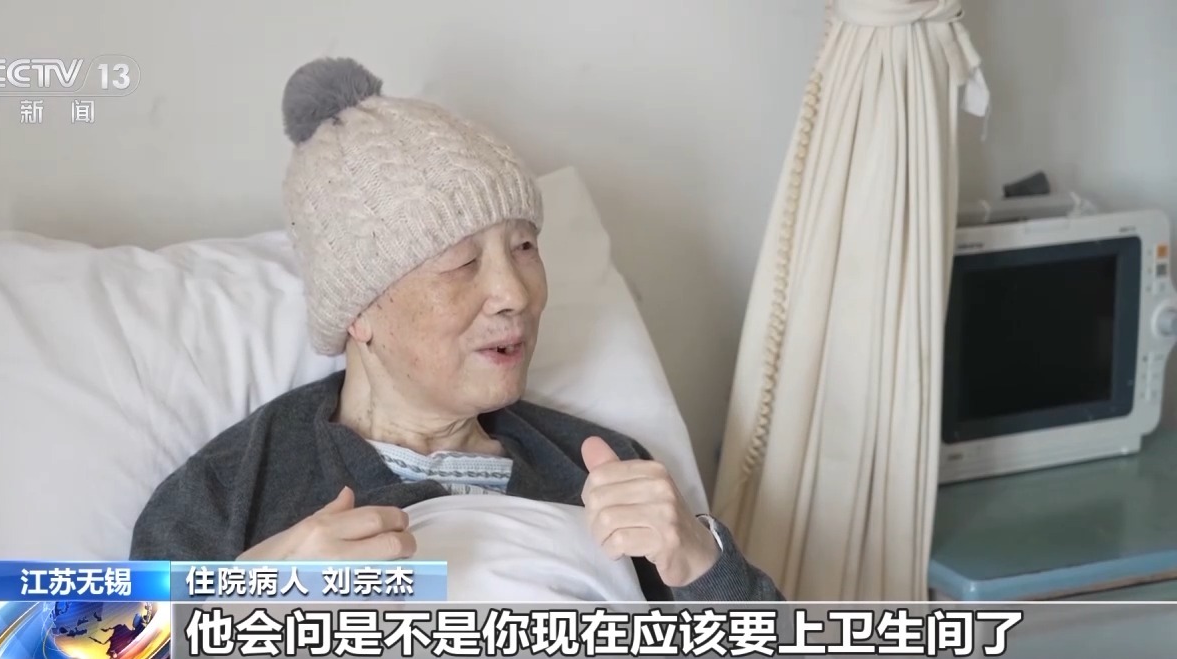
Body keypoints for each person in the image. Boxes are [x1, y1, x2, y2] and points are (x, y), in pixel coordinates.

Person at [130, 57, 781, 602]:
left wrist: (702, 562)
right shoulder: (229, 490)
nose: (515, 293)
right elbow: (84, 642)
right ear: (360, 311)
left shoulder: (604, 470)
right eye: (462, 262)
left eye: (524, 248)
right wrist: (244, 598)